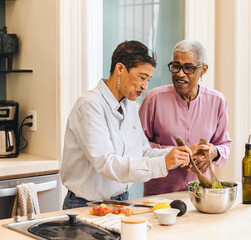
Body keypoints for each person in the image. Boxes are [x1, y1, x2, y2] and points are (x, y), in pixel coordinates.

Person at [60, 40, 193, 209]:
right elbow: (106, 163)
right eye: (142, 77)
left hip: (122, 201)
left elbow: (142, 151)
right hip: (85, 206)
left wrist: (173, 155)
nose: (145, 86)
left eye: (148, 79)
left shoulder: (129, 104)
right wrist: (162, 163)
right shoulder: (90, 105)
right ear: (120, 69)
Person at [139, 40, 232, 197]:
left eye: (188, 68)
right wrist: (174, 155)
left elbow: (225, 145)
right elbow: (137, 146)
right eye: (176, 66)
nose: (180, 74)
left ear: (203, 70)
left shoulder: (217, 101)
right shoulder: (154, 99)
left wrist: (213, 152)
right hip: (160, 195)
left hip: (202, 194)